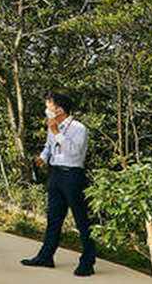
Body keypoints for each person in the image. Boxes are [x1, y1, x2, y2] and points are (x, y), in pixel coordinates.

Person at [22, 92, 96, 277]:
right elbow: (49, 146)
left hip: (72, 176)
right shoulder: (52, 127)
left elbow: (74, 152)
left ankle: (87, 261)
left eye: (50, 107)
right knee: (53, 218)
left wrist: (56, 132)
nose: (47, 111)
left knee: (82, 220)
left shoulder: (79, 128)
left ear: (60, 109)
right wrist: (42, 158)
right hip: (55, 175)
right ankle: (46, 256)